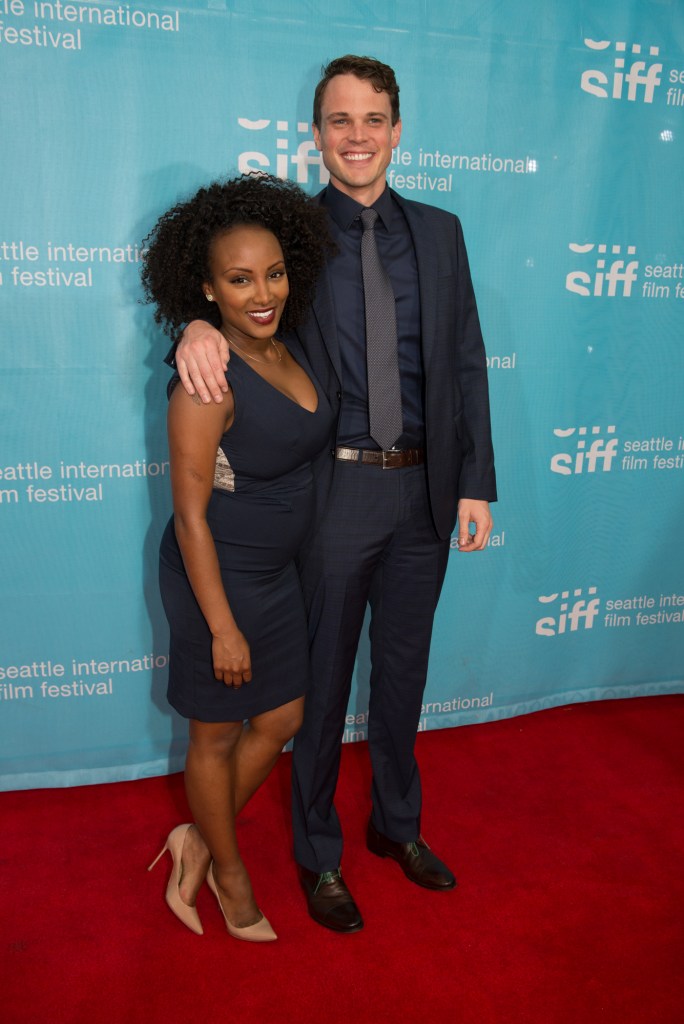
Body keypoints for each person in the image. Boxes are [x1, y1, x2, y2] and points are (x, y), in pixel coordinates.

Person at [172, 55, 497, 934]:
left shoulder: (441, 232)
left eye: (374, 119)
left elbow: (465, 362)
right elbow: (229, 297)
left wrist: (475, 485)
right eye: (339, 121)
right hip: (332, 496)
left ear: (397, 130)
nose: (357, 136)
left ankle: (399, 827)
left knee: (401, 676)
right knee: (315, 687)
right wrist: (195, 327)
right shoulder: (290, 237)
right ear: (315, 135)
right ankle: (319, 854)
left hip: (425, 492)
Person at [142, 174, 334, 942]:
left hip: (277, 572)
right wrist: (221, 627)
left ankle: (195, 835)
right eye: (239, 278)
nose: (264, 292)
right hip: (214, 578)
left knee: (281, 715)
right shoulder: (204, 382)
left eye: (275, 272)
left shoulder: (289, 344)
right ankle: (227, 871)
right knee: (214, 735)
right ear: (206, 289)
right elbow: (189, 518)